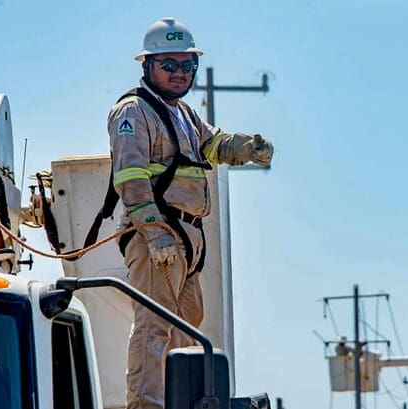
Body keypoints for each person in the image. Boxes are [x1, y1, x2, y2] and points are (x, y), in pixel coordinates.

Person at [107, 17, 274, 409]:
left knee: (186, 327)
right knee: (154, 326)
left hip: (186, 239)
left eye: (187, 66)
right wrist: (155, 232)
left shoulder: (183, 114)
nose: (180, 73)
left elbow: (214, 145)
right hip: (160, 235)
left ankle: (178, 401)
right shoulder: (133, 112)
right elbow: (130, 179)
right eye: (170, 65)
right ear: (147, 66)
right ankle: (147, 405)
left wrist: (247, 148)